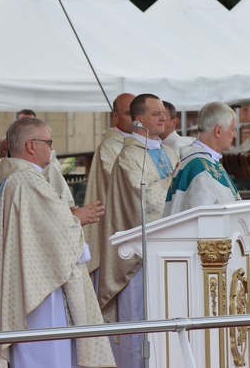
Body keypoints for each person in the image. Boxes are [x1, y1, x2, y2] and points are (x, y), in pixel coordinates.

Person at [0, 118, 115, 368]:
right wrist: (76, 218)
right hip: (40, 287)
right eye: (48, 142)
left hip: (29, 278)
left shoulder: (12, 179)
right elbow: (51, 233)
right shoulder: (28, 181)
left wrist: (67, 216)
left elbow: (36, 227)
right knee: (46, 350)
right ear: (31, 146)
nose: (51, 148)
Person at [97, 94, 179, 368]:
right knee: (140, 326)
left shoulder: (168, 152)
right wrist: (175, 179)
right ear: (139, 120)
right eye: (156, 113)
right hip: (137, 259)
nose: (163, 118)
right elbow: (145, 201)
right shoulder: (129, 156)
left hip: (172, 252)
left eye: (164, 113)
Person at [83, 93, 135, 278]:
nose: (136, 118)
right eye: (130, 113)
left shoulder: (144, 143)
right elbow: (128, 186)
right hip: (119, 231)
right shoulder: (110, 147)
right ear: (115, 117)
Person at [163, 102, 243, 216]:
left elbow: (223, 203)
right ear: (218, 131)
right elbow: (202, 219)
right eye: (233, 129)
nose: (235, 135)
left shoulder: (207, 162)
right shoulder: (198, 167)